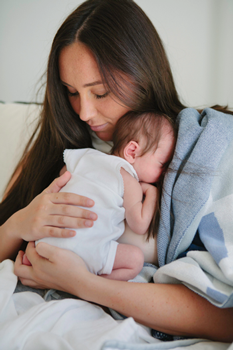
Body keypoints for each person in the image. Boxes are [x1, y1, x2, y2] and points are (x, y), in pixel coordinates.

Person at [0, 0, 233, 343]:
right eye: (71, 93)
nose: (84, 112)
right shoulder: (58, 152)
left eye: (100, 92)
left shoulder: (202, 145)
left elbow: (224, 319)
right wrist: (18, 223)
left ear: (142, 72)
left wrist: (81, 283)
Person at [23, 111, 174, 281]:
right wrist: (152, 192)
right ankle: (93, 283)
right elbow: (139, 225)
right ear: (132, 151)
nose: (164, 173)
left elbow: (63, 173)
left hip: (48, 241)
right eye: (162, 164)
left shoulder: (87, 155)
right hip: (85, 250)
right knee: (135, 260)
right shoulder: (129, 181)